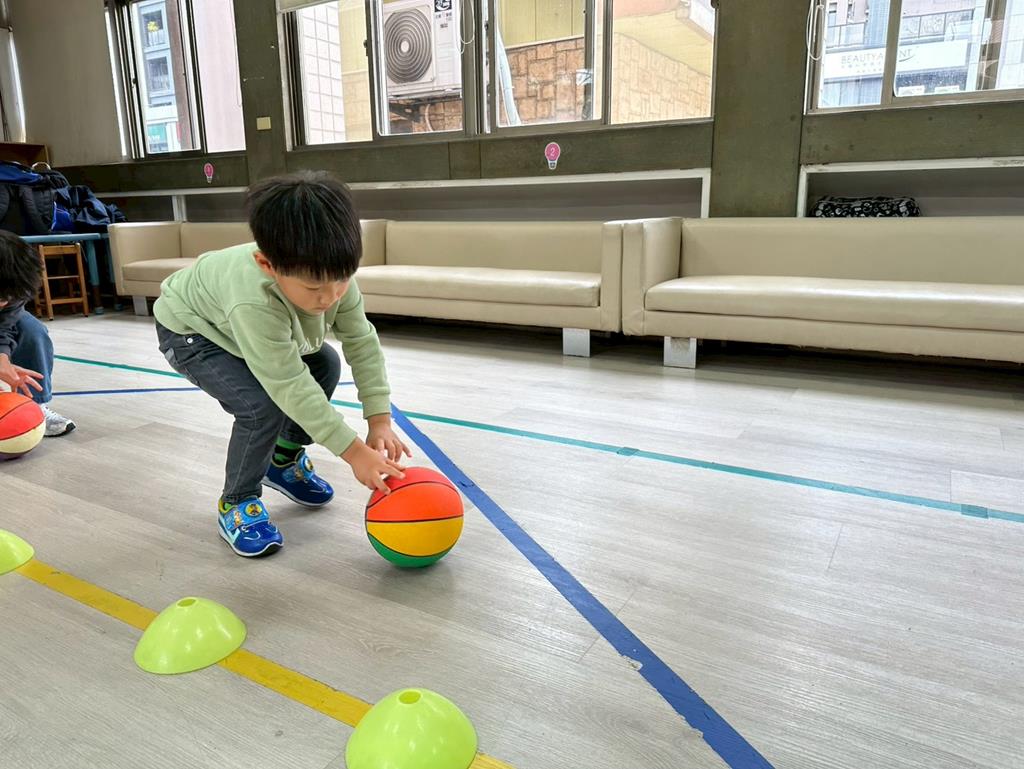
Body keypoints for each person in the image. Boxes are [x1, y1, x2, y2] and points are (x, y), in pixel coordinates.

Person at [154, 171, 410, 557]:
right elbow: (288, 382)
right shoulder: (253, 300)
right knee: (260, 407)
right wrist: (354, 452)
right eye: (314, 288)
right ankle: (237, 501)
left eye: (342, 280)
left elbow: (361, 342)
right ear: (267, 264)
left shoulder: (332, 274)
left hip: (237, 327)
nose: (330, 297)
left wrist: (379, 419)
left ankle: (281, 459)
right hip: (192, 332)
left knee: (324, 363)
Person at [0, 230, 77, 436]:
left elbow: (4, 325)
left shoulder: (14, 282)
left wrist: (2, 358)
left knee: (31, 329)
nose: (3, 303)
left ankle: (34, 407)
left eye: (7, 298)